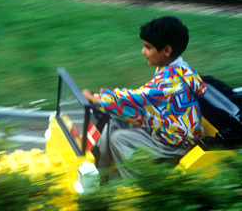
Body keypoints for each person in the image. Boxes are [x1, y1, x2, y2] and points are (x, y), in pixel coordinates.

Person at [82, 16, 207, 178]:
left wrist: (97, 98)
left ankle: (135, 186)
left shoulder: (171, 80)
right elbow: (144, 99)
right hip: (166, 127)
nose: (143, 52)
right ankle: (101, 171)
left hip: (175, 143)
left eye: (148, 47)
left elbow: (139, 97)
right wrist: (106, 102)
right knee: (113, 121)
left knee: (119, 138)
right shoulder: (175, 68)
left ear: (167, 50)